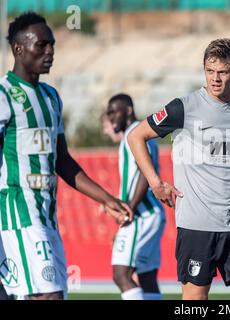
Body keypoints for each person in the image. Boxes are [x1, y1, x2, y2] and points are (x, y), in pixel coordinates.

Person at [0, 12, 132, 300]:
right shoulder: (4, 96)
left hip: (47, 217)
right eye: (42, 45)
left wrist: (107, 199)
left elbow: (62, 160)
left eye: (53, 45)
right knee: (49, 295)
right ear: (18, 48)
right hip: (18, 216)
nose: (50, 52)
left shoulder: (51, 98)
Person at [127, 38, 230, 300]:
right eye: (209, 71)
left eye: (223, 72)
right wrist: (156, 183)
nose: (215, 78)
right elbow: (136, 136)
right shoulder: (183, 107)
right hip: (197, 227)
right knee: (195, 301)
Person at [104, 93, 166, 300]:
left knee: (121, 274)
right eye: (108, 113)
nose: (111, 116)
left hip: (142, 214)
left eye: (114, 111)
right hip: (147, 213)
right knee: (147, 278)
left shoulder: (137, 133)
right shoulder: (134, 134)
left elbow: (145, 172)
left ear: (128, 110)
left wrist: (130, 207)